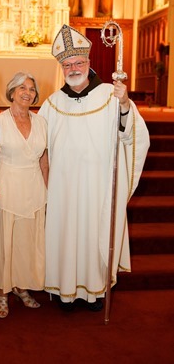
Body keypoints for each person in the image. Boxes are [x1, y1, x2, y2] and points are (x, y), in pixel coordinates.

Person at [38, 24, 150, 312]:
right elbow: (38, 147)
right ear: (61, 68)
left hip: (98, 186)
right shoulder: (52, 104)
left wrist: (125, 104)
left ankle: (96, 291)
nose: (73, 67)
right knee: (65, 233)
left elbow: (131, 135)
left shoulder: (111, 96)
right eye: (67, 64)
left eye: (78, 62)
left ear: (89, 63)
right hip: (62, 188)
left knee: (93, 232)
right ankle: (65, 291)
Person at [0, 72, 48, 318]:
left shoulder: (41, 122)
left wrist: (49, 193)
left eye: (31, 89)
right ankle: (2, 292)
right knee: (4, 243)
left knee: (27, 243)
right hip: (7, 187)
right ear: (11, 92)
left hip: (34, 188)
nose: (27, 92)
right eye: (22, 88)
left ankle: (21, 286)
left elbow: (44, 160)